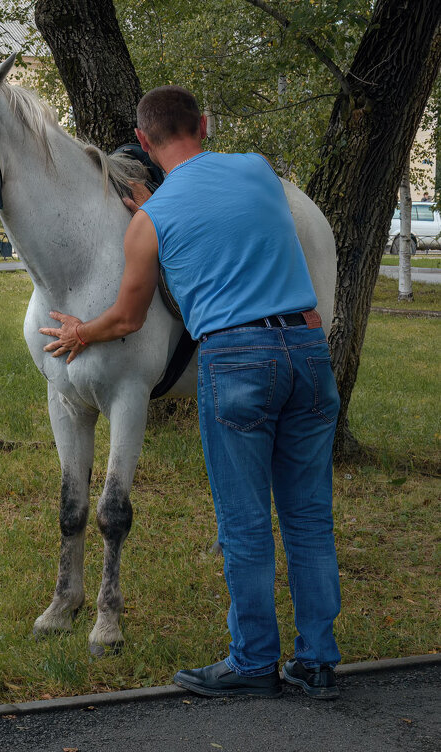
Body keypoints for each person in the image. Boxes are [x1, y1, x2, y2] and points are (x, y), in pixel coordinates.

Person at [39, 86, 342, 700]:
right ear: (205, 124)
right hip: (307, 355)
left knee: (245, 522)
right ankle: (316, 662)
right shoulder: (258, 172)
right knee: (309, 518)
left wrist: (80, 331)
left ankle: (255, 662)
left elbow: (125, 319)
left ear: (144, 143)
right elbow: (235, 222)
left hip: (237, 362)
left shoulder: (152, 219)